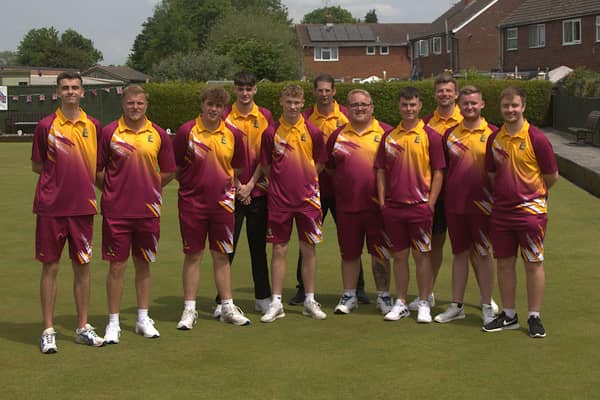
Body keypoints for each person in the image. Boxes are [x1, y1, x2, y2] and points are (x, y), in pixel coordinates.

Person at [97, 84, 176, 343]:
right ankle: (113, 323)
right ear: (123, 104)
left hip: (147, 211)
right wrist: (113, 190)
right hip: (116, 212)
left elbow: (169, 170)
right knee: (116, 267)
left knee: (143, 265)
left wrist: (150, 187)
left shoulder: (158, 134)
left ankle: (143, 318)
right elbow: (97, 171)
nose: (135, 107)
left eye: (140, 103)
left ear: (146, 104)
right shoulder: (109, 132)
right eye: (131, 103)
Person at [32, 71, 104, 353]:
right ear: (57, 93)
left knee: (82, 267)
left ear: (83, 92)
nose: (70, 92)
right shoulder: (45, 125)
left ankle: (82, 326)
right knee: (50, 266)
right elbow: (38, 165)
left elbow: (97, 168)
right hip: (51, 208)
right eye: (65, 88)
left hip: (83, 208)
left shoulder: (94, 125)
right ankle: (48, 330)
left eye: (75, 87)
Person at [482, 87, 558, 338]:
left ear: (523, 106)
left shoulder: (536, 138)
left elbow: (551, 176)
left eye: (515, 105)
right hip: (502, 212)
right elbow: (492, 174)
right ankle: (510, 315)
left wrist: (529, 197)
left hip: (531, 213)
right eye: (506, 106)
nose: (510, 110)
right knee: (504, 264)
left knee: (533, 263)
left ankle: (534, 316)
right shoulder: (495, 139)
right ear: (500, 108)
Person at [173, 86, 251, 329]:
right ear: (202, 104)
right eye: (210, 104)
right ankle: (189, 309)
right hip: (192, 204)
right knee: (193, 255)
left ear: (223, 108)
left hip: (223, 205)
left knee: (221, 255)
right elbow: (176, 168)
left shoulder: (233, 134)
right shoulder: (187, 131)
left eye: (218, 106)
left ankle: (227, 306)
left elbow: (237, 168)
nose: (214, 109)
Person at [289, 74, 370, 306]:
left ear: (334, 91)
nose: (323, 94)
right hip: (312, 190)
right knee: (307, 239)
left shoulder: (347, 114)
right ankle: (303, 289)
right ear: (314, 92)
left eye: (327, 90)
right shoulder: (304, 118)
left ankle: (359, 288)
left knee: (351, 239)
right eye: (320, 90)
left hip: (341, 190)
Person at [375, 86, 445, 323]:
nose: (408, 109)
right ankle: (401, 302)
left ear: (420, 106)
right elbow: (381, 172)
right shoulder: (389, 136)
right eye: (404, 105)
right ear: (399, 106)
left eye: (413, 105)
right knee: (400, 257)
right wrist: (383, 203)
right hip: (394, 208)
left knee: (422, 256)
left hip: (420, 207)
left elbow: (438, 172)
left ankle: (424, 302)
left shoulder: (431, 136)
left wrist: (431, 203)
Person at [259, 84, 328, 322]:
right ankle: (276, 302)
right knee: (279, 249)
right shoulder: (270, 132)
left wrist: (307, 180)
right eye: (288, 101)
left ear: (302, 103)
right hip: (279, 201)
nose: (292, 106)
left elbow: (320, 161)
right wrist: (281, 185)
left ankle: (309, 299)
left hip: (308, 201)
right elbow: (267, 166)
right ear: (281, 101)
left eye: (297, 102)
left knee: (309, 249)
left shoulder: (313, 131)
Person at [211, 71, 273, 319]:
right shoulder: (225, 115)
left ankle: (262, 297)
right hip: (231, 193)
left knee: (258, 247)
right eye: (240, 88)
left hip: (258, 191)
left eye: (249, 88)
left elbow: (265, 155)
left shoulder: (265, 115)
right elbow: (222, 155)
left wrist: (251, 184)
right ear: (234, 90)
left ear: (255, 89)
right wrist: (238, 185)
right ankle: (222, 301)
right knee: (228, 247)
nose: (245, 93)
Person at [326, 89, 394, 316]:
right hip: (347, 207)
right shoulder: (337, 136)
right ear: (348, 108)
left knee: (380, 253)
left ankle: (383, 296)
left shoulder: (386, 133)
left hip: (378, 207)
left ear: (372, 107)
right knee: (349, 253)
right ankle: (349, 295)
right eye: (354, 105)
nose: (360, 108)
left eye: (364, 104)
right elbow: (330, 167)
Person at [434, 85, 498, 325]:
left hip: (483, 206)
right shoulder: (450, 134)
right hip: (455, 206)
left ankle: (486, 305)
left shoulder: (493, 134)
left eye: (474, 103)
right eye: (466, 104)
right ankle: (456, 305)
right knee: (458, 254)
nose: (470, 107)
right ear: (459, 106)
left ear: (482, 104)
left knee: (483, 254)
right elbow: (442, 170)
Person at [411, 71, 462, 311]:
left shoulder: (468, 118)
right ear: (435, 95)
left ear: (456, 94)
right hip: (436, 194)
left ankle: (485, 297)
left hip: (464, 194)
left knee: (471, 248)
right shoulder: (427, 122)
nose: (444, 94)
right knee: (435, 245)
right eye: (440, 91)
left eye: (448, 91)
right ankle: (427, 293)